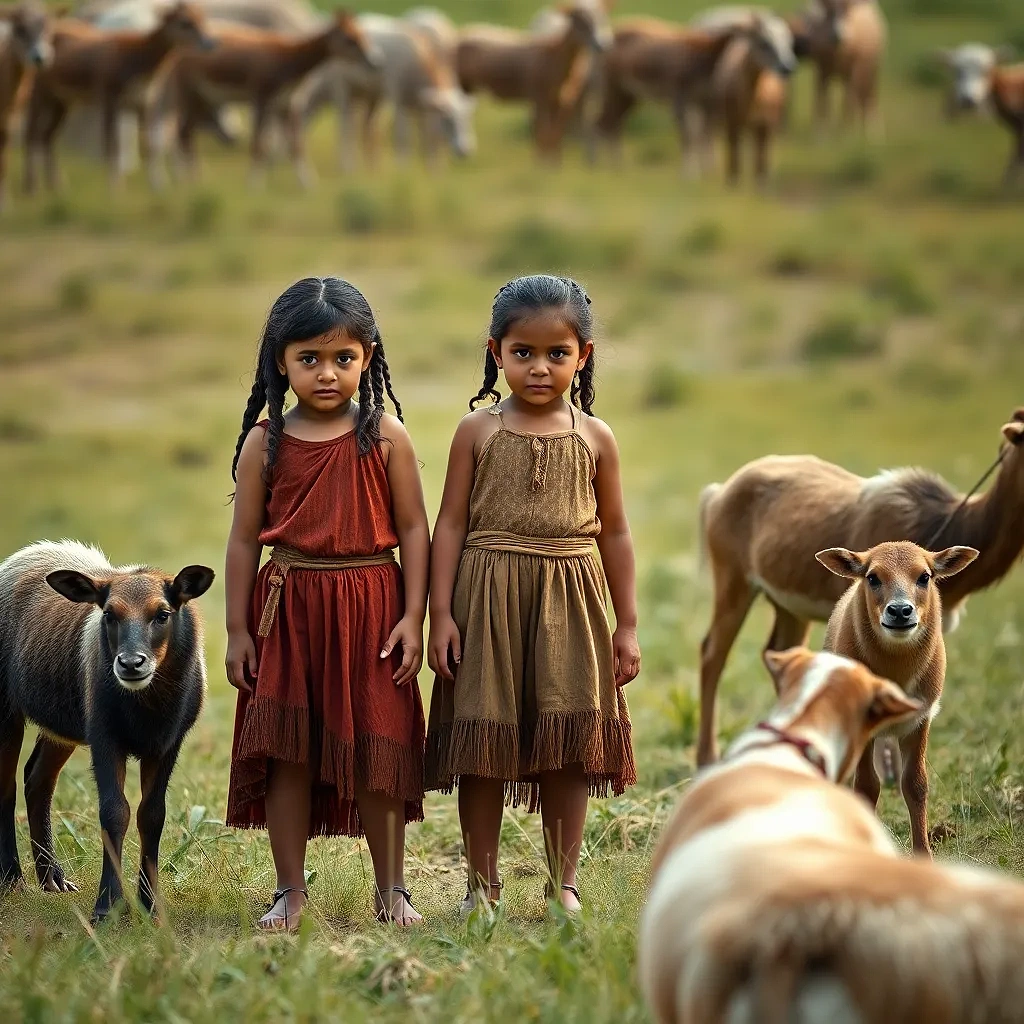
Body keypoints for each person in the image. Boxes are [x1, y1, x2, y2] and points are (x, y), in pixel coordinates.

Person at [426, 274, 640, 915]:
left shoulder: (596, 437)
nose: (539, 368)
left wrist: (625, 625)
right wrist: (441, 614)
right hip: (486, 598)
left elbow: (618, 533)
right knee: (484, 745)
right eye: (523, 353)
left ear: (585, 355)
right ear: (496, 352)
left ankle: (563, 885)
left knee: (566, 743)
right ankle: (481, 888)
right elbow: (451, 526)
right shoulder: (476, 431)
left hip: (571, 602)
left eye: (557, 354)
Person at [224, 277, 429, 929]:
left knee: (380, 748)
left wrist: (413, 617)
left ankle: (391, 888)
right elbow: (242, 540)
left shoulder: (385, 437)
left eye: (343, 358)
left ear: (367, 357)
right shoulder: (266, 443)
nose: (326, 373)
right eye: (308, 358)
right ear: (280, 361)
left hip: (371, 606)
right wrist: (236, 630)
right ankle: (290, 889)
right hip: (288, 611)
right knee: (289, 751)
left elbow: (417, 529)